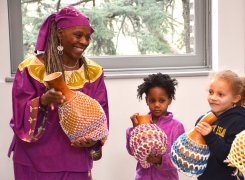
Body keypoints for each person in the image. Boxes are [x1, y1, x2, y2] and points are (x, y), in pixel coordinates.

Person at [8, 6, 109, 180]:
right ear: (60, 34)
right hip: (34, 160)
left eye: (88, 37)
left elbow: (101, 114)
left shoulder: (93, 72)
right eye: (78, 35)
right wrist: (43, 101)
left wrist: (93, 139)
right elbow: (19, 115)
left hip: (75, 159)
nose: (84, 41)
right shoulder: (31, 69)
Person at [195, 70, 245, 180]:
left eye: (220, 94)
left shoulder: (238, 121)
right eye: (211, 92)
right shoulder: (208, 118)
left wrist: (210, 135)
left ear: (235, 98)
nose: (213, 97)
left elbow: (230, 158)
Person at [125, 73, 185, 180]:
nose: (157, 105)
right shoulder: (142, 124)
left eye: (161, 100)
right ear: (147, 101)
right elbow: (132, 151)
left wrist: (160, 160)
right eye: (152, 100)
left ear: (169, 100)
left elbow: (180, 159)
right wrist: (135, 130)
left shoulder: (177, 127)